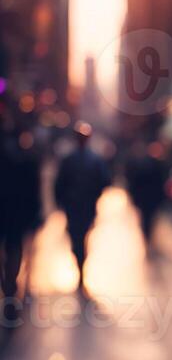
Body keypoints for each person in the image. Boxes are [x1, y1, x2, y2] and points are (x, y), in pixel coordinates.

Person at [54, 122, 111, 295]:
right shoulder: (73, 160)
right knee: (78, 238)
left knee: (79, 237)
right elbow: (60, 183)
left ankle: (81, 265)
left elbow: (104, 182)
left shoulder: (92, 160)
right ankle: (80, 263)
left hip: (82, 206)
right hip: (77, 206)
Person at [0, 109, 43, 319]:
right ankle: (9, 284)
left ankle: (8, 285)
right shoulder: (28, 158)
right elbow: (34, 190)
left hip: (10, 212)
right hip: (17, 214)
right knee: (14, 249)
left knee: (11, 250)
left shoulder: (23, 157)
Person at [124, 142, 166, 254]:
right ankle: (147, 236)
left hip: (147, 199)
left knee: (147, 219)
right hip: (150, 199)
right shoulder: (156, 166)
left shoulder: (150, 165)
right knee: (148, 219)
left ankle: (147, 236)